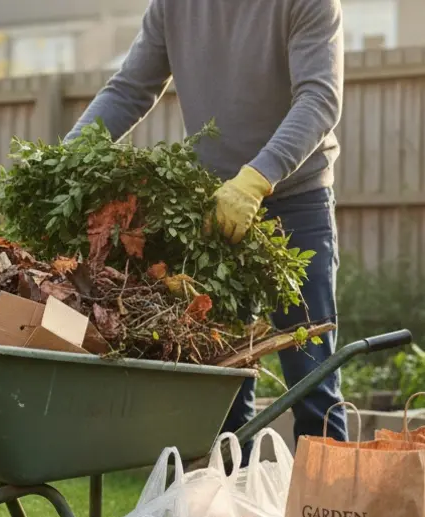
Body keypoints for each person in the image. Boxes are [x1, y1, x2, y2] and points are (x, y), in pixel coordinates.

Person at [65, 0, 348, 449]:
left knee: (311, 378)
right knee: (222, 383)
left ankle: (330, 514)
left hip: (295, 199)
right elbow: (129, 90)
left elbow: (319, 98)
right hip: (213, 211)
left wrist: (257, 178)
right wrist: (66, 159)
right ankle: (228, 512)